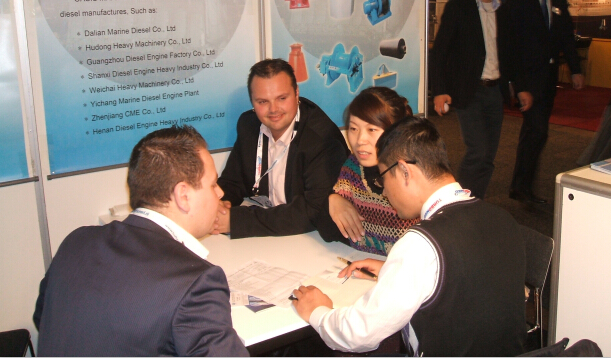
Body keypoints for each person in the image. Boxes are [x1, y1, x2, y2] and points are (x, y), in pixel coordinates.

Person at [291, 116, 526, 356]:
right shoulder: (502, 218)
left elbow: (358, 334)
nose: (385, 191)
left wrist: (318, 311)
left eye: (383, 178)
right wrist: (393, 270)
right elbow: (469, 280)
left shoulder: (421, 245)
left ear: (404, 171)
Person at [33, 126, 248, 357]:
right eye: (213, 184)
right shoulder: (194, 284)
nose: (220, 193)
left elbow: (43, 318)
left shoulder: (76, 241)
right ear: (183, 196)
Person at [216, 58, 349, 240]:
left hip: (310, 241)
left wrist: (236, 221)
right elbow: (233, 182)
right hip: (271, 237)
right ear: (252, 101)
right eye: (263, 101)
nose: (273, 109)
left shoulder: (322, 139)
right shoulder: (248, 125)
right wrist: (221, 205)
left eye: (282, 98)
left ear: (296, 93)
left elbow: (313, 211)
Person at [500, 0, 584, 204]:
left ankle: (520, 185)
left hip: (548, 78)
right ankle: (522, 188)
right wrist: (518, 85)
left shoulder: (557, 0)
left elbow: (566, 37)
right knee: (537, 130)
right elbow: (509, 46)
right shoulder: (518, 0)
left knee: (535, 132)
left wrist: (576, 69)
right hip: (527, 79)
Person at [430, 0, 508, 199]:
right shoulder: (459, 9)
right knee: (478, 151)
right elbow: (439, 52)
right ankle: (457, 202)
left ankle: (475, 201)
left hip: (495, 91)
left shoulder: (503, 10)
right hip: (469, 91)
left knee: (489, 156)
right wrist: (439, 90)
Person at [328, 87, 419, 255]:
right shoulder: (353, 168)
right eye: (353, 129)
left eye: (372, 130)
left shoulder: (414, 174)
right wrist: (333, 199)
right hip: (359, 262)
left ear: (396, 131)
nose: (360, 140)